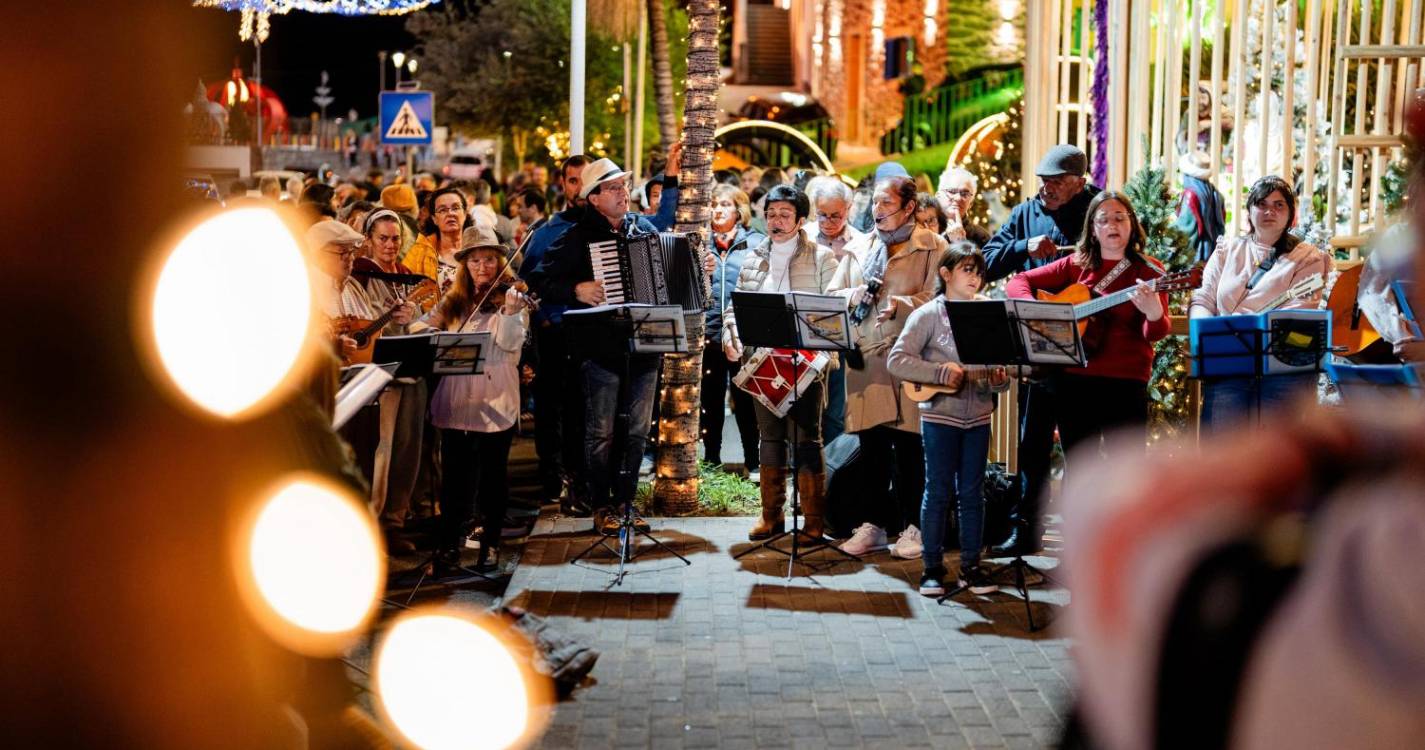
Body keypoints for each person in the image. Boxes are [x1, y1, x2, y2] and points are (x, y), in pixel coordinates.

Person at [526, 157, 667, 534]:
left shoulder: (643, 230)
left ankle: (626, 502)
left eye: (624, 186)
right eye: (614, 188)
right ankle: (601, 503)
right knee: (601, 431)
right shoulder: (574, 238)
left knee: (637, 431)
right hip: (599, 348)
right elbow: (539, 281)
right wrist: (576, 290)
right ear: (593, 198)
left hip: (645, 347)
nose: (624, 194)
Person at [981, 144, 1100, 557]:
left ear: (1079, 182)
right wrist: (1023, 248)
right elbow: (987, 261)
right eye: (1044, 182)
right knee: (1030, 446)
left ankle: (1083, 539)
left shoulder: (1099, 210)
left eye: (1057, 182)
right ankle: (1026, 530)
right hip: (1033, 348)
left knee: (1080, 448)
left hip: (1086, 349)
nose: (1047, 189)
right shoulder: (1026, 213)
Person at [1006, 191, 1170, 473]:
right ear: (1092, 230)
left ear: (1132, 225)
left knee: (1127, 472)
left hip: (1126, 383)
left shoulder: (1150, 271)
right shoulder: (1076, 264)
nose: (1112, 225)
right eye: (1103, 220)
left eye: (1120, 218)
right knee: (1081, 472)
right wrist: (1041, 312)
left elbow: (1154, 333)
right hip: (1076, 383)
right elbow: (1018, 281)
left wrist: (1153, 313)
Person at [828, 174, 947, 555]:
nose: (877, 211)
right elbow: (832, 294)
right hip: (866, 360)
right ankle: (873, 525)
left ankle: (915, 527)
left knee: (911, 448)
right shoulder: (859, 247)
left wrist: (905, 304)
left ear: (909, 207)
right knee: (872, 447)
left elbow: (940, 298)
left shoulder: (934, 247)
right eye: (874, 203)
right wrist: (853, 293)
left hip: (910, 360)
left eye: (886, 203)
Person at [888, 243, 1012, 596]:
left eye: (978, 271)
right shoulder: (928, 315)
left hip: (978, 417)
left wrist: (1000, 379)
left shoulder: (990, 311)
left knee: (973, 493)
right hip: (940, 417)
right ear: (946, 274)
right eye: (967, 270)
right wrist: (939, 373)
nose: (975, 277)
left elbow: (1001, 367)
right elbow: (898, 361)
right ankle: (932, 567)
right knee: (938, 490)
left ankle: (971, 567)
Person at [411, 225, 534, 570]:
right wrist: (423, 328)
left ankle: (490, 544)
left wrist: (510, 313)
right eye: (475, 261)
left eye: (490, 261)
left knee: (493, 480)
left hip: (495, 399)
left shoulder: (511, 299)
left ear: (499, 263)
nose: (483, 268)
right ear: (465, 265)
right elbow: (422, 328)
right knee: (454, 482)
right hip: (457, 401)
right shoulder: (455, 300)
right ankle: (449, 545)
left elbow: (511, 346)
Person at [721, 185, 838, 540]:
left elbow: (832, 311)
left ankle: (813, 522)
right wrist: (731, 334)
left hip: (807, 362)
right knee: (769, 439)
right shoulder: (754, 256)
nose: (776, 221)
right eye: (771, 214)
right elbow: (735, 307)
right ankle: (771, 517)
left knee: (807, 439)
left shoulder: (821, 257)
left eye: (785, 215)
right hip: (763, 361)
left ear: (801, 220)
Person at [1189, 175, 1329, 430]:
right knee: (1223, 445)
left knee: (1275, 452)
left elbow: (1297, 311)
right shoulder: (1227, 249)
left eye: (1278, 205)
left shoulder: (1307, 257)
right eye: (1261, 204)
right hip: (1227, 362)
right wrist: (1206, 334)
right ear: (1249, 211)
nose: (1269, 211)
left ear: (1291, 215)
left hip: (1281, 368)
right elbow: (1204, 297)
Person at [519, 154, 594, 510]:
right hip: (557, 333)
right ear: (562, 185)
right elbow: (532, 282)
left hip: (598, 334)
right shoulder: (547, 232)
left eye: (585, 179)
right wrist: (549, 314)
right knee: (551, 412)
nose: (579, 188)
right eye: (572, 180)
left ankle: (584, 481)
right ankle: (553, 479)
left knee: (588, 412)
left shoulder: (612, 225)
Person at [351, 209, 426, 553]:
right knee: (382, 450)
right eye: (382, 238)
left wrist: (413, 317)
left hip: (410, 371)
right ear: (369, 240)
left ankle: (396, 519)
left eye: (395, 238)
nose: (390, 245)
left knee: (408, 447)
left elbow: (423, 317)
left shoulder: (406, 273)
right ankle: (375, 522)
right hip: (380, 376)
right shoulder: (361, 276)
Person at [704, 184, 765, 472]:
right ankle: (711, 459)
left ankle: (752, 462)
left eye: (726, 204)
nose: (718, 209)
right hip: (709, 337)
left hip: (743, 339)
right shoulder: (701, 244)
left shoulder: (755, 243)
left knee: (745, 403)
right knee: (710, 403)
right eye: (714, 203)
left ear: (739, 211)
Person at [805, 176, 866, 442]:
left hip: (844, 334)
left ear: (849, 209)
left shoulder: (861, 242)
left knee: (837, 411)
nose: (829, 222)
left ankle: (832, 474)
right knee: (806, 409)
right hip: (807, 330)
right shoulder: (803, 236)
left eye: (836, 216)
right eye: (822, 215)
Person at [404, 186, 472, 293]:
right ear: (434, 219)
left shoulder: (478, 247)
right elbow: (405, 290)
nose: (450, 213)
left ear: (465, 214)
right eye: (442, 210)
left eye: (455, 208)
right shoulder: (419, 253)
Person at [935, 167, 991, 247]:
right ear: (938, 196)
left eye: (965, 194)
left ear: (971, 203)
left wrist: (960, 243)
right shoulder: (924, 228)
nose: (958, 198)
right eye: (952, 191)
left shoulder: (981, 238)